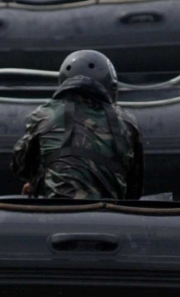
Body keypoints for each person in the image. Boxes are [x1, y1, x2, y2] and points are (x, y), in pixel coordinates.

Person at [11, 49, 144, 200]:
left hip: (58, 213)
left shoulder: (44, 115)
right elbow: (134, 189)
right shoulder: (127, 122)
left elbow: (20, 167)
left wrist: (37, 181)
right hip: (109, 215)